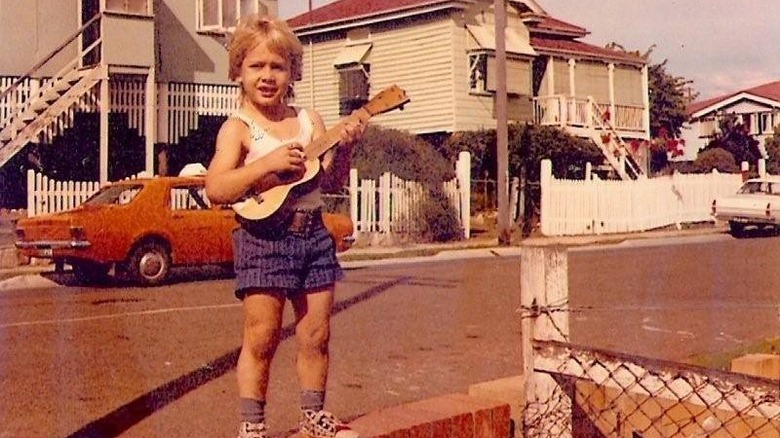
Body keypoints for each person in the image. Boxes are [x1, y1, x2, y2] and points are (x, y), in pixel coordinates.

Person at [205, 14, 365, 438]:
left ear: (293, 71)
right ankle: (252, 426)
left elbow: (328, 181)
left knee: (316, 332)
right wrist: (266, 164)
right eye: (256, 66)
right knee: (262, 336)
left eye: (277, 66)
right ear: (238, 72)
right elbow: (216, 188)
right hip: (262, 237)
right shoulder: (239, 128)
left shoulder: (309, 120)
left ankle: (313, 417)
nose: (267, 76)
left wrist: (346, 149)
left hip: (313, 234)